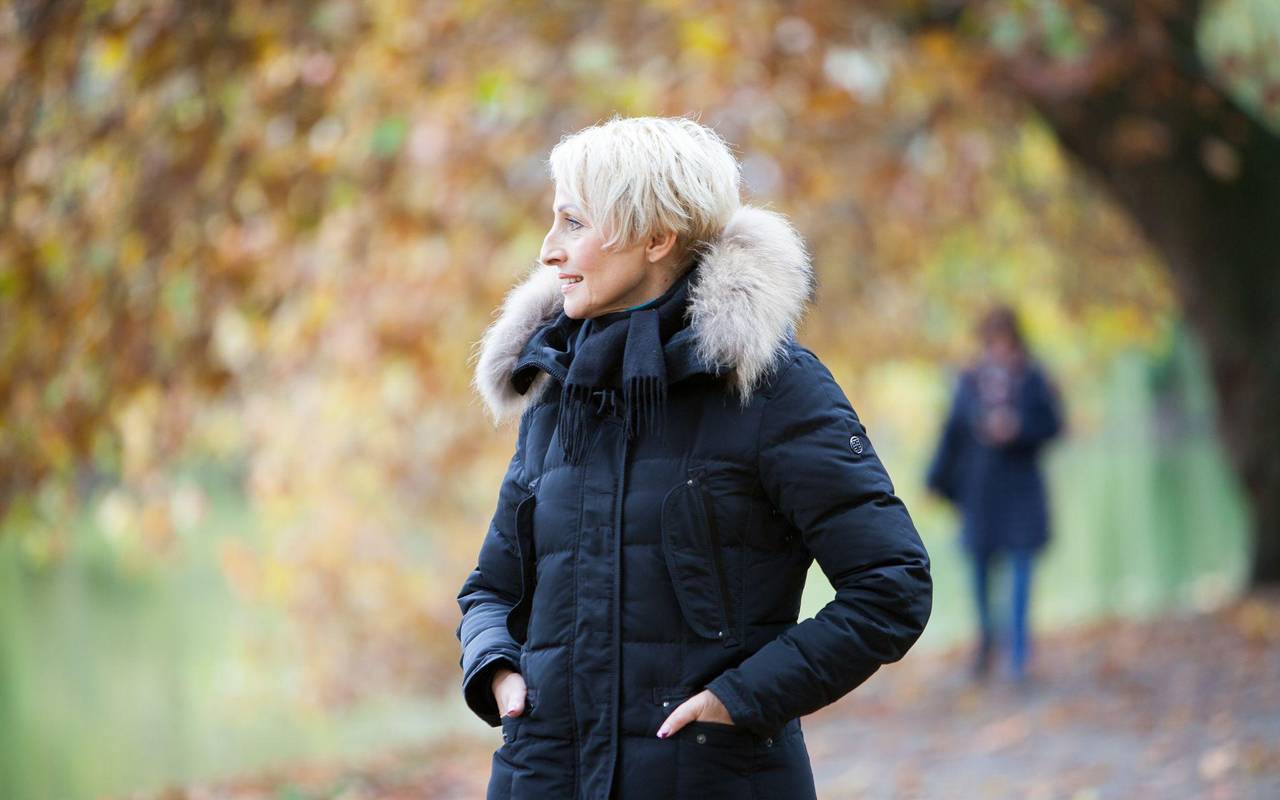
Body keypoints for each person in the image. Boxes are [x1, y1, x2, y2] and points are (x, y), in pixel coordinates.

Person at [456, 114, 933, 800]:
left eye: (573, 223)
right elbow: (491, 591)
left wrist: (740, 701)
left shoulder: (773, 388)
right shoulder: (557, 393)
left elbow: (891, 586)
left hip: (715, 779)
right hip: (543, 778)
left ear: (656, 237)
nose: (547, 250)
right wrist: (499, 673)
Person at [925, 304, 1063, 685]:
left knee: (1021, 575)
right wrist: (934, 480)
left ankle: (1018, 657)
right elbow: (951, 433)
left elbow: (1054, 425)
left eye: (1005, 341)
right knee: (980, 577)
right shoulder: (969, 381)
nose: (999, 349)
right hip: (980, 493)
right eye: (993, 341)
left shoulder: (1034, 378)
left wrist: (1017, 428)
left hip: (1021, 492)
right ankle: (986, 645)